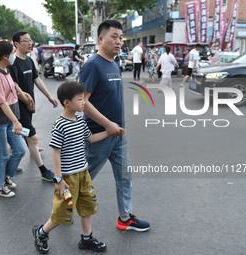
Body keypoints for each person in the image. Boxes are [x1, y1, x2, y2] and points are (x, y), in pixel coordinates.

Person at [79, 19, 150, 232]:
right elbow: (82, 101)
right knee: (82, 179)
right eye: (114, 37)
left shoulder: (113, 63)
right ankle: (61, 207)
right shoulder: (93, 65)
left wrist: (116, 127)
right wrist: (107, 124)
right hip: (99, 136)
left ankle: (125, 218)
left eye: (121, 38)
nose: (119, 42)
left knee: (125, 176)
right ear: (101, 39)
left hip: (118, 134)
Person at [33, 81, 109, 254]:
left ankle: (86, 239)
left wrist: (110, 131)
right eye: (80, 99)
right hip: (67, 179)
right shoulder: (60, 124)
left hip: (83, 174)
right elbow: (56, 153)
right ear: (67, 102)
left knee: (87, 206)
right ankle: (41, 233)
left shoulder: (80, 121)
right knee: (62, 211)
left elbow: (91, 139)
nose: (84, 103)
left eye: (84, 99)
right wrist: (58, 180)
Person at [9, 31, 58, 181]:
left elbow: (37, 80)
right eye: (25, 41)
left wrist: (49, 96)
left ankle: (10, 162)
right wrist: (28, 102)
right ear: (16, 44)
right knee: (33, 138)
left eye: (30, 40)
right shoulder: (13, 63)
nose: (30, 43)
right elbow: (15, 88)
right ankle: (44, 171)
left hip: (28, 107)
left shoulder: (29, 60)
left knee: (18, 134)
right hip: (18, 107)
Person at [0, 40, 27, 197]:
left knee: (20, 150)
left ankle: (5, 176)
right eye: (12, 52)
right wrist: (16, 121)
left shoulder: (6, 70)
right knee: (1, 154)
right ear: (5, 56)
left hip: (9, 119)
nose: (15, 54)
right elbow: (1, 101)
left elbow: (11, 94)